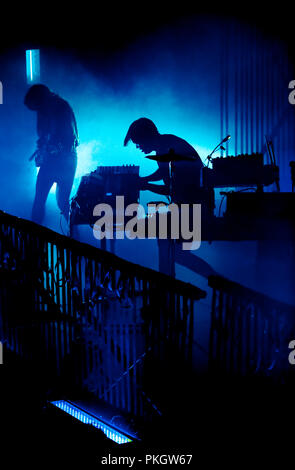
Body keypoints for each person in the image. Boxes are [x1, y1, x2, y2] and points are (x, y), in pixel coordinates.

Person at [25, 84, 79, 224]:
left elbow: (70, 138)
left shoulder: (62, 108)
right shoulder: (45, 109)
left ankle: (74, 235)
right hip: (55, 160)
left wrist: (53, 148)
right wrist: (43, 145)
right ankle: (35, 239)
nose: (37, 110)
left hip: (65, 159)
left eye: (36, 106)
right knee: (42, 201)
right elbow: (44, 135)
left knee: (61, 202)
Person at [123, 117, 203, 203]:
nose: (138, 147)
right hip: (193, 202)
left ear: (146, 137)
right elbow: (170, 188)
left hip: (196, 204)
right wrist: (145, 183)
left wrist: (145, 183)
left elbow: (165, 176)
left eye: (138, 143)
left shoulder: (167, 147)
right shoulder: (166, 144)